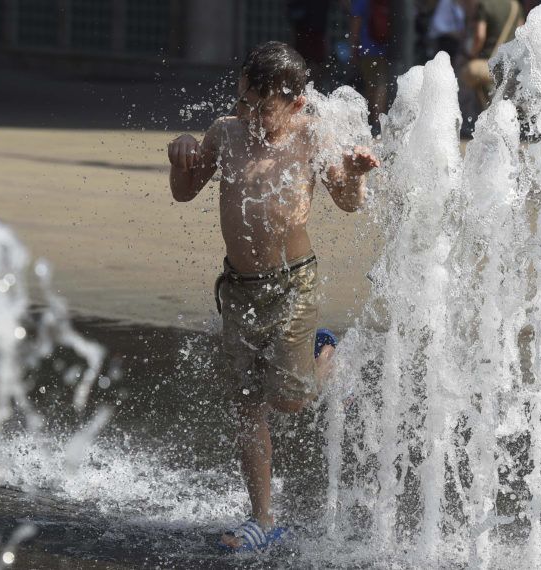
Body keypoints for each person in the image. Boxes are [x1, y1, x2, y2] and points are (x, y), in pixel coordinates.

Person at [166, 41, 379, 552]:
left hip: (292, 285)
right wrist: (182, 153)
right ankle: (261, 517)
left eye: (264, 108)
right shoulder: (226, 133)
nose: (251, 116)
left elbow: (348, 203)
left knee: (288, 399)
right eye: (244, 102)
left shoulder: (313, 136)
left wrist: (353, 173)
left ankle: (325, 353)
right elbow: (185, 191)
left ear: (297, 104)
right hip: (238, 289)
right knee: (245, 403)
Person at [461, 0, 523, 108]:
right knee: (509, 106)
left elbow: (479, 35)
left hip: (488, 66)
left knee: (487, 107)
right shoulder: (515, 5)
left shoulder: (484, 4)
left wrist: (472, 55)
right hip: (510, 65)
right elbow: (521, 34)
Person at [349, 0, 391, 128]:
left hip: (367, 48)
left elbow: (356, 21)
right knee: (381, 84)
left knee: (372, 85)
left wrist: (353, 48)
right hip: (383, 47)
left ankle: (374, 123)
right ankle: (379, 121)